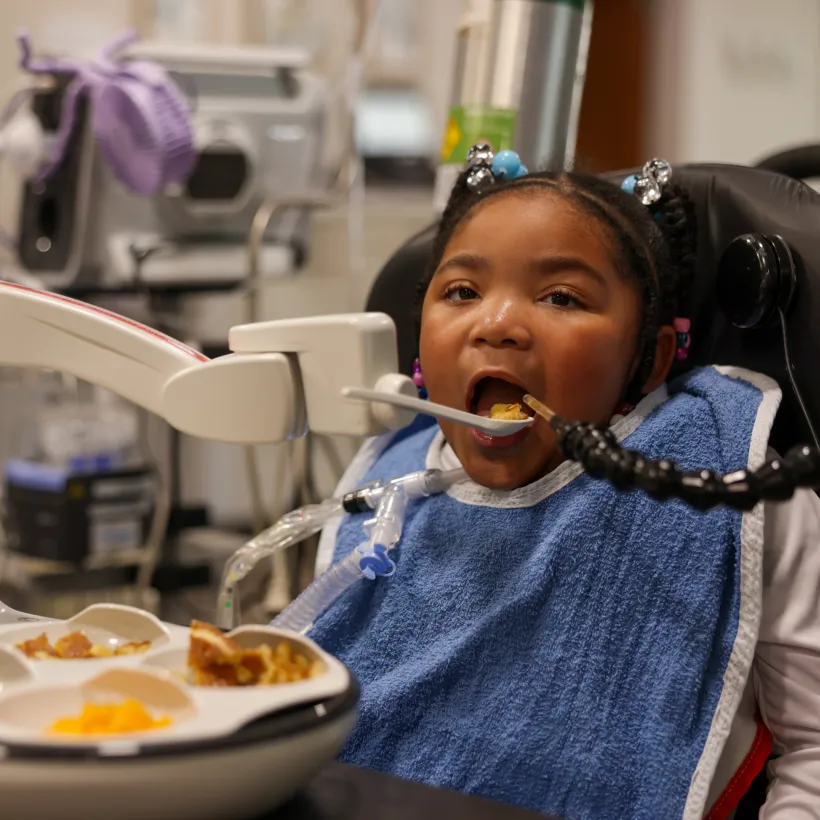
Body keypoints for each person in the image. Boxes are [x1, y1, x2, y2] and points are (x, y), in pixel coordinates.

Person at [309, 147, 820, 819]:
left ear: (648, 358)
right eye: (461, 291)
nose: (495, 325)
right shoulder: (391, 488)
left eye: (560, 297)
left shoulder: (731, 485)